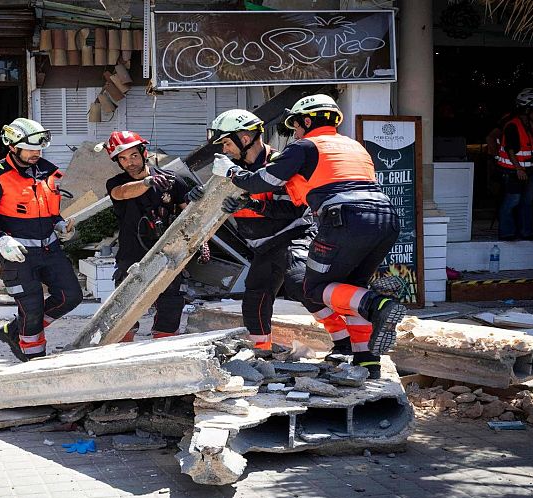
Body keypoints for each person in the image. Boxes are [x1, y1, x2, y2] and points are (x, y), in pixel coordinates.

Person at [207, 95, 405, 378]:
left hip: (342, 220)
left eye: (296, 126)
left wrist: (232, 175)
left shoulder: (302, 148)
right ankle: (366, 362)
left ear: (308, 121)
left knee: (313, 287)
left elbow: (263, 184)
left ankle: (378, 304)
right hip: (386, 218)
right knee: (350, 288)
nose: (295, 133)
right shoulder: (354, 146)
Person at [0, 118, 82, 361]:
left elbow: (49, 209)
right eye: (30, 148)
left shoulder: (48, 171)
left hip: (50, 249)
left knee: (71, 296)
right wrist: (0, 239)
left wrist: (59, 223)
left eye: (39, 148)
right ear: (12, 147)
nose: (36, 153)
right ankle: (34, 362)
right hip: (17, 254)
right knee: (32, 309)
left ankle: (13, 331)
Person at [208, 109, 316, 351]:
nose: (224, 150)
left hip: (293, 237)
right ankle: (261, 353)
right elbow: (210, 202)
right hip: (264, 246)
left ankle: (352, 341)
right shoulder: (230, 168)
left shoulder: (280, 164)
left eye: (227, 143)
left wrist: (252, 203)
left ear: (244, 139)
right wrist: (196, 195)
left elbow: (293, 209)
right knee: (255, 301)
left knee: (302, 285)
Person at [101, 130, 205, 341]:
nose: (129, 162)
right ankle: (121, 357)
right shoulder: (115, 183)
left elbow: (189, 215)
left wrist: (201, 240)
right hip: (131, 255)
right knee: (124, 309)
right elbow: (121, 192)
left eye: (133, 156)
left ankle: (163, 350)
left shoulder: (173, 181)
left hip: (167, 252)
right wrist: (147, 182)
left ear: (143, 153)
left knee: (171, 304)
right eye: (122, 158)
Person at [495, 88, 533, 240]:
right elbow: (510, 149)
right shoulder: (512, 125)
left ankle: (526, 231)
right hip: (514, 171)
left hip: (530, 170)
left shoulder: (529, 124)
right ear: (527, 109)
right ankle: (506, 232)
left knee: (527, 202)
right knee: (513, 200)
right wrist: (518, 169)